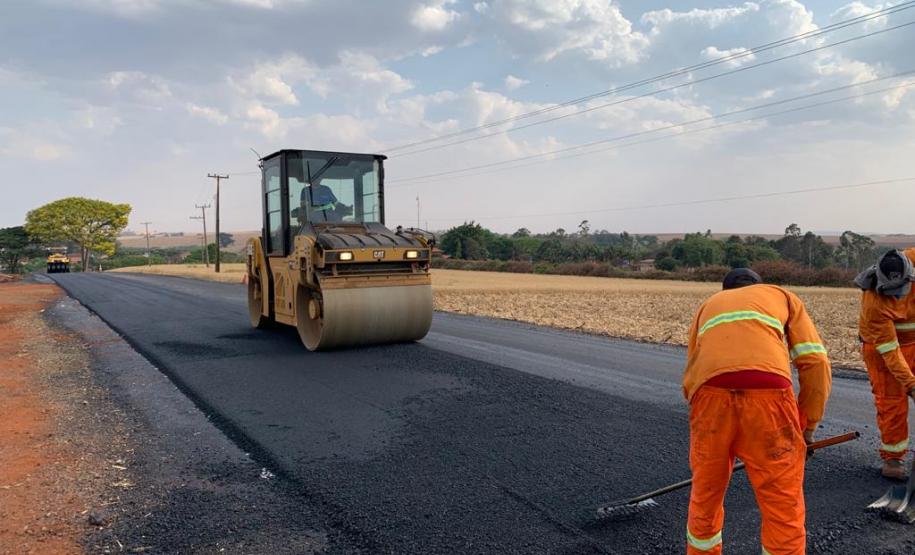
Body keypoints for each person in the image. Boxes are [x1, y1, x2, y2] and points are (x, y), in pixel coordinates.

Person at [683, 268, 831, 555]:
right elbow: (816, 363)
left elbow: (692, 371)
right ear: (759, 286)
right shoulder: (782, 297)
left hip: (709, 398)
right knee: (782, 503)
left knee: (705, 494)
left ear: (725, 290)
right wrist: (807, 426)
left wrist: (710, 419)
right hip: (769, 398)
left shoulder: (708, 306)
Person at [856, 249, 915, 480]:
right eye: (892, 292)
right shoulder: (874, 303)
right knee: (892, 401)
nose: (897, 296)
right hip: (882, 349)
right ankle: (893, 459)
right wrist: (911, 385)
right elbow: (890, 352)